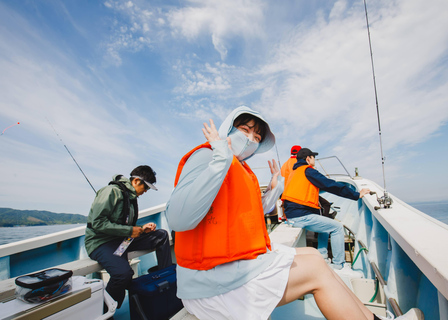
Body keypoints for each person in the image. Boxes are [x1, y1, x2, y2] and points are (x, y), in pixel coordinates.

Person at [166, 106, 423, 320]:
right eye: (244, 130)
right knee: (316, 271)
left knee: (312, 255)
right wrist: (220, 156)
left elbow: (251, 213)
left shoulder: (240, 170)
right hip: (208, 285)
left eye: (256, 137)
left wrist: (274, 188)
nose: (250, 139)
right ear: (227, 130)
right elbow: (178, 218)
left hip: (228, 270)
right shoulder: (207, 157)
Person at [85, 165, 172, 308]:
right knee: (123, 274)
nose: (146, 191)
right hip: (101, 243)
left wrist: (142, 229)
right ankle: (106, 310)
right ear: (136, 181)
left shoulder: (131, 197)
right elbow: (98, 223)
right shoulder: (110, 192)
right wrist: (129, 231)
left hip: (121, 240)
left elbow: (124, 224)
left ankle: (165, 280)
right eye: (146, 187)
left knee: (161, 235)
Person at [282, 148, 369, 270]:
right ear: (308, 159)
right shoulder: (308, 171)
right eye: (313, 157)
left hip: (292, 215)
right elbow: (329, 184)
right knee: (337, 227)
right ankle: (338, 265)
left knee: (325, 226)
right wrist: (356, 194)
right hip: (301, 216)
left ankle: (322, 257)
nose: (314, 160)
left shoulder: (294, 172)